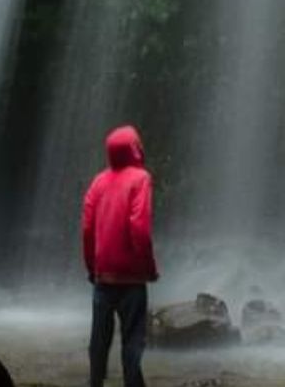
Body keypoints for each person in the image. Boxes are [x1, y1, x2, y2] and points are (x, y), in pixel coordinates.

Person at [81, 124, 159, 387]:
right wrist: (148, 267)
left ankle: (95, 382)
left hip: (103, 275)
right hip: (132, 277)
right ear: (135, 149)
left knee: (99, 340)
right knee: (133, 341)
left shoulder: (98, 181)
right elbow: (139, 227)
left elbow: (87, 228)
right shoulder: (140, 179)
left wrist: (92, 267)